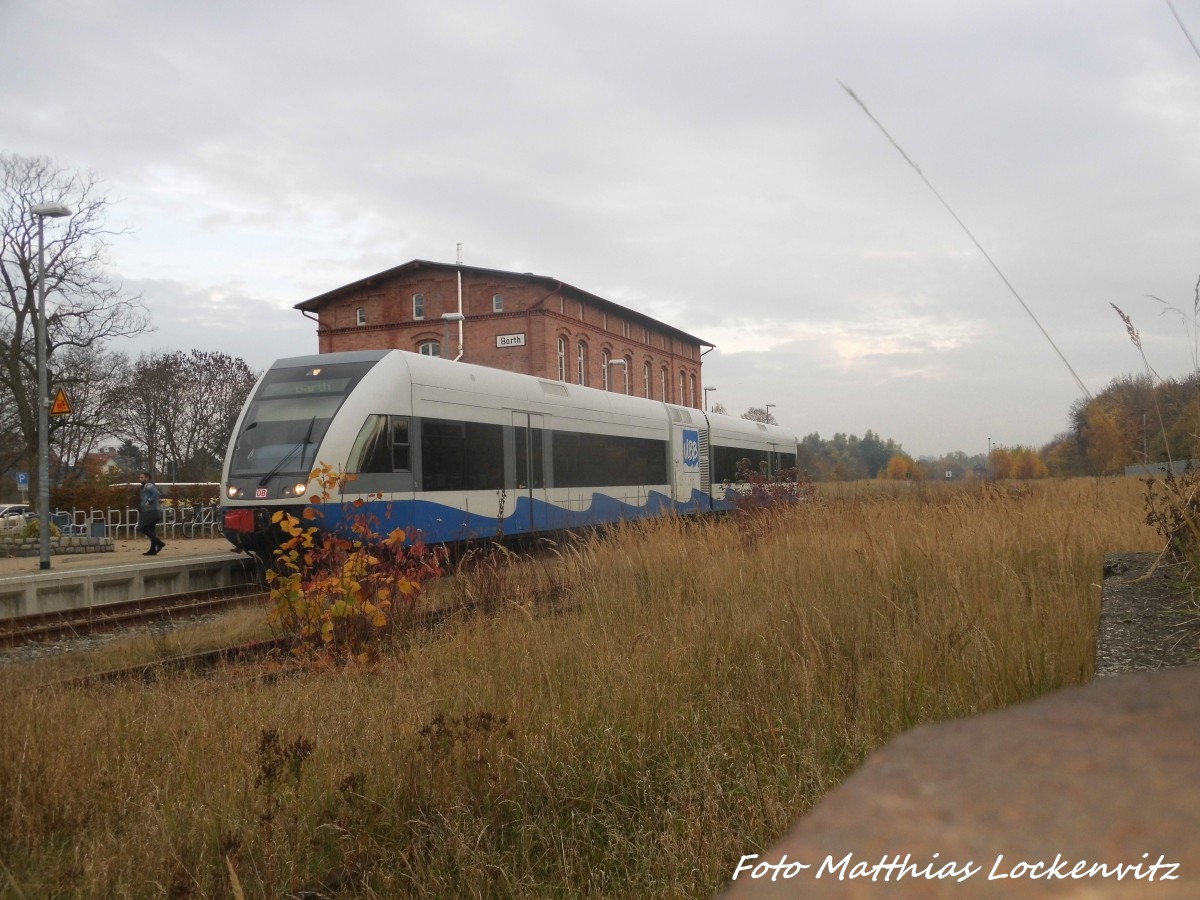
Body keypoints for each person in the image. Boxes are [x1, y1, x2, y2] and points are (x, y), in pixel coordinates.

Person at [136, 471, 166, 556]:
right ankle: (153, 550)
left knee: (142, 528)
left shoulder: (148, 485)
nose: (140, 479)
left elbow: (156, 493)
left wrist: (149, 501)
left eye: (142, 477)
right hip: (154, 511)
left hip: (150, 511)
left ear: (147, 478)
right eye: (140, 477)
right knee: (151, 530)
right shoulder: (144, 487)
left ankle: (159, 543)